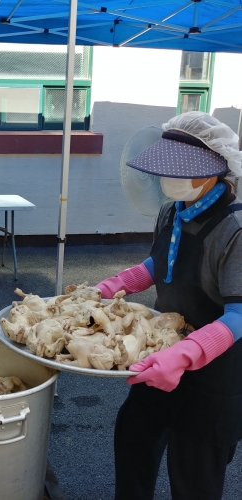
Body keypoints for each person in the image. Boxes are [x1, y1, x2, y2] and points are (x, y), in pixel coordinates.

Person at [95, 111, 242, 500]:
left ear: (214, 169)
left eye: (180, 169)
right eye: (165, 168)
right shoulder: (170, 211)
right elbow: (161, 262)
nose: (168, 179)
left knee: (195, 480)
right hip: (160, 350)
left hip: (213, 375)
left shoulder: (235, 229)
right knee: (133, 444)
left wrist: (188, 354)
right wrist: (120, 284)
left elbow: (240, 314)